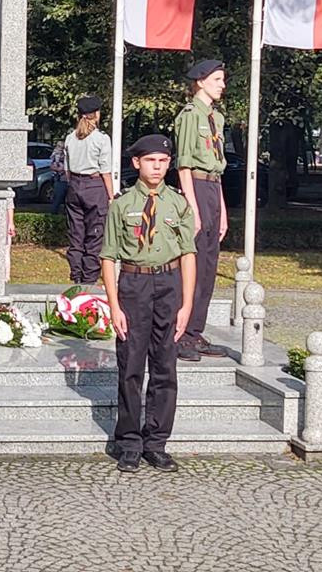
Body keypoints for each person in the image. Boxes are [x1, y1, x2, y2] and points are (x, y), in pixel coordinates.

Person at [100, 134, 196, 474]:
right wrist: (114, 305)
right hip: (134, 283)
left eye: (163, 161)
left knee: (165, 366)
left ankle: (156, 442)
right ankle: (129, 442)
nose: (157, 167)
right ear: (136, 163)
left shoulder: (179, 205)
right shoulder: (121, 205)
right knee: (130, 366)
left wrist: (187, 305)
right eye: (150, 161)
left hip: (168, 284)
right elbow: (108, 256)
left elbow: (188, 255)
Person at [174, 59, 229, 361]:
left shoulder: (215, 118)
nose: (222, 85)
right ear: (201, 81)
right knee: (192, 266)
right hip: (194, 187)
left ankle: (196, 332)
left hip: (212, 188)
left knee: (209, 266)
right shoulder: (190, 115)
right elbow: (184, 164)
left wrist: (221, 207)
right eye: (218, 79)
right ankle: (180, 334)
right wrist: (193, 207)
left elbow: (216, 168)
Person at [64, 95, 114, 284]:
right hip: (94, 186)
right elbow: (105, 171)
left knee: (76, 235)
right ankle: (89, 280)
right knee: (94, 235)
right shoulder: (101, 139)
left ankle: (76, 276)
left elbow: (67, 170)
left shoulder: (70, 138)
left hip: (74, 186)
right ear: (97, 114)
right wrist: (111, 196)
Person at [49, 140, 68, 214]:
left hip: (67, 180)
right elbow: (51, 166)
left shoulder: (67, 154)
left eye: (61, 146)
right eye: (58, 146)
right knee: (57, 200)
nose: (59, 148)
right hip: (60, 180)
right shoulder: (55, 154)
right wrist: (59, 169)